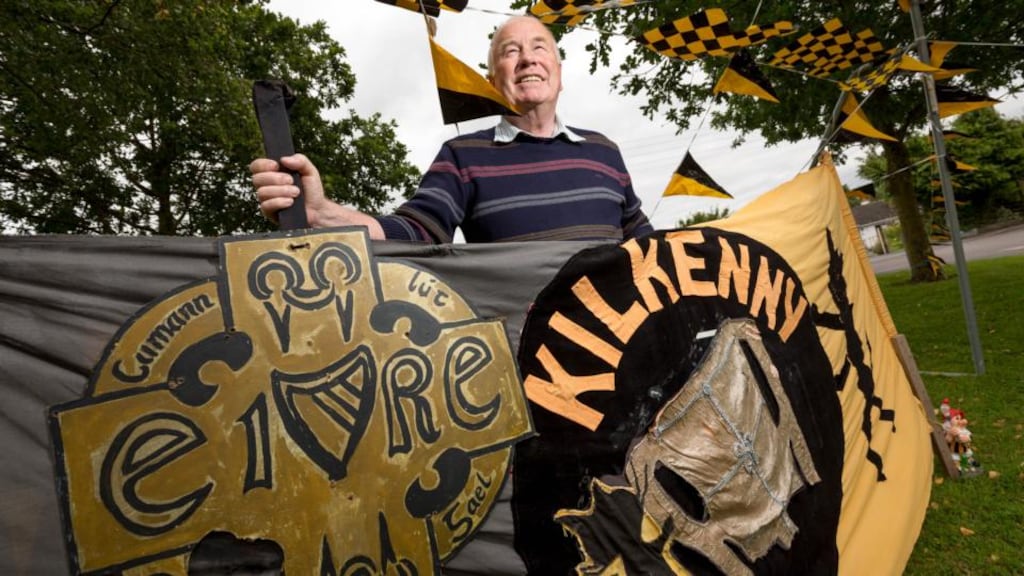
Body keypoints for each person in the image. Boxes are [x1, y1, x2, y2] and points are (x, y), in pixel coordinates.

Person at [252, 15, 653, 243]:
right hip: (525, 352)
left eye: (539, 47)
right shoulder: (463, 156)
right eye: (510, 51)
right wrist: (320, 212)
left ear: (559, 74)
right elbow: (414, 231)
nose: (527, 59)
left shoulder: (604, 151)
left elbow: (650, 248)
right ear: (493, 81)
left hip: (621, 351)